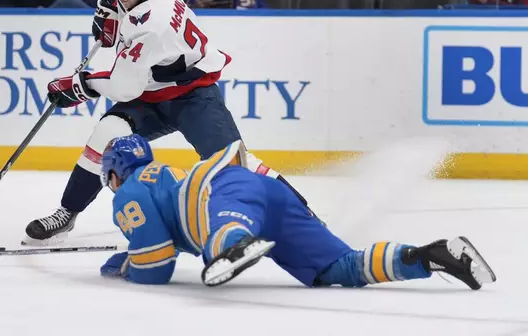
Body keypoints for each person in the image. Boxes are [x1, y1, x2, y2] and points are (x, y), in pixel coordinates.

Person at [21, 0, 309, 245]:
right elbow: (128, 15)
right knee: (107, 132)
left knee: (234, 163)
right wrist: (113, 11)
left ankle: (301, 215)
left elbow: (123, 87)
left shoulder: (152, 27)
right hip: (153, 92)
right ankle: (67, 213)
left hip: (192, 96)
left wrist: (81, 85)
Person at [97, 134, 497, 289]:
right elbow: (179, 231)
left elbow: (155, 267)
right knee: (339, 268)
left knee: (226, 231)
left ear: (114, 172)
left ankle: (235, 247)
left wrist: (124, 264)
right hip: (267, 194)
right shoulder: (166, 174)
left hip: (228, 195)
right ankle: (429, 256)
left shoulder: (128, 191)